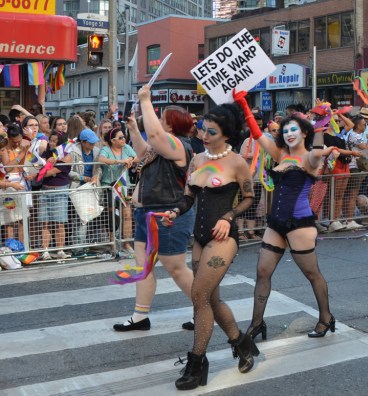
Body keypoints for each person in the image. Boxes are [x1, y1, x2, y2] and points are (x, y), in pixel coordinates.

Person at [166, 103, 259, 390]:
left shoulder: (236, 162)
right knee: (210, 300)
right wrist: (175, 212)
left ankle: (197, 363)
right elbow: (189, 197)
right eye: (203, 129)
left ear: (226, 134)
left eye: (211, 131)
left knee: (199, 294)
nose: (204, 135)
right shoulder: (196, 160)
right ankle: (242, 344)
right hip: (200, 237)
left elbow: (248, 197)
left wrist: (228, 216)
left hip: (223, 238)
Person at [233, 90, 335, 340]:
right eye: (285, 130)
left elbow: (317, 153)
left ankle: (326, 318)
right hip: (275, 223)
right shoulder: (280, 154)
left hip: (299, 224)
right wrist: (243, 103)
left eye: (294, 130)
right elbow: (257, 134)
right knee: (262, 272)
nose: (289, 134)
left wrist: (321, 126)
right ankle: (256, 324)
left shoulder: (310, 157)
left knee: (312, 274)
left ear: (304, 134)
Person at [112, 87, 196, 332]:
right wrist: (133, 129)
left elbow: (156, 137)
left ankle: (204, 309)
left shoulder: (180, 145)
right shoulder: (160, 148)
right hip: (145, 213)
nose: (158, 122)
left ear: (172, 125)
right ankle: (140, 316)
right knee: (143, 267)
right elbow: (142, 152)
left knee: (176, 268)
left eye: (162, 119)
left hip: (168, 214)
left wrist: (146, 100)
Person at [97, 127, 137, 256]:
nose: (123, 139)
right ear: (112, 140)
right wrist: (120, 161)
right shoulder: (106, 149)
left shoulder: (126, 148)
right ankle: (112, 243)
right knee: (113, 214)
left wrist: (130, 160)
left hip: (123, 184)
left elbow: (137, 157)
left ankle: (126, 243)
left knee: (127, 214)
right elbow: (101, 159)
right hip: (109, 185)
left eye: (124, 136)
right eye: (120, 137)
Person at [39, 131, 72, 260]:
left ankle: (60, 250)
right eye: (51, 140)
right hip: (45, 190)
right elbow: (37, 168)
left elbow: (46, 173)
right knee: (45, 222)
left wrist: (48, 165)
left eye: (55, 141)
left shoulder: (67, 156)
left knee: (60, 222)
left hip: (60, 191)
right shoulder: (46, 154)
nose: (52, 143)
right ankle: (45, 251)